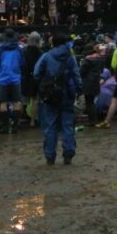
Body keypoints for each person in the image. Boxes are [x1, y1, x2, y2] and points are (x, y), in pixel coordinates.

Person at [34, 33, 82, 165]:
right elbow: (76, 75)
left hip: (50, 94)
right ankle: (68, 154)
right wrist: (79, 89)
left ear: (52, 43)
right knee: (67, 125)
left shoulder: (47, 56)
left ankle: (50, 155)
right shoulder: (70, 57)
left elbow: (36, 73)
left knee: (50, 125)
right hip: (67, 94)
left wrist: (45, 82)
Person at [0, 30, 25, 134]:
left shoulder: (0, 49)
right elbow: (22, 63)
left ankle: (5, 127)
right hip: (16, 78)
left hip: (3, 78)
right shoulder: (19, 48)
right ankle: (15, 126)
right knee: (16, 102)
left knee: (3, 103)